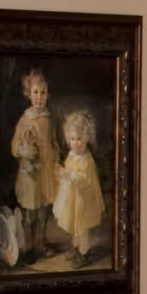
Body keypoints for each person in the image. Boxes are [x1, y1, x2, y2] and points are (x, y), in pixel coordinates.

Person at [9, 69, 58, 264]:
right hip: (31, 175)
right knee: (30, 213)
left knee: (44, 210)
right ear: (28, 94)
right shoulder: (25, 119)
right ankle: (29, 247)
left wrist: (59, 160)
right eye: (35, 92)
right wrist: (24, 151)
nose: (39, 97)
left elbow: (53, 142)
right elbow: (14, 147)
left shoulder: (49, 118)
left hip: (46, 172)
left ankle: (41, 243)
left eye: (43, 92)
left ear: (48, 95)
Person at [53, 108, 105, 265]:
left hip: (84, 199)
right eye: (72, 139)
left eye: (79, 139)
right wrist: (62, 174)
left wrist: (68, 175)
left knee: (82, 228)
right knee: (74, 225)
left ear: (87, 138)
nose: (75, 143)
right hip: (73, 197)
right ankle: (75, 248)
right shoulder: (71, 154)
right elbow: (69, 170)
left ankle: (84, 253)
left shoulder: (87, 160)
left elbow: (82, 180)